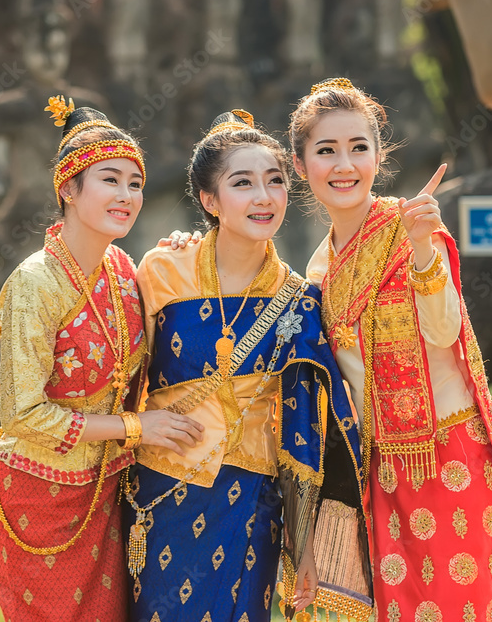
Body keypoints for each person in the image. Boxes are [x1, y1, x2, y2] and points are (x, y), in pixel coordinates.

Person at [128, 110, 364, 622]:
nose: (264, 197)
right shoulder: (162, 271)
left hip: (251, 503)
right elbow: (124, 382)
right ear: (210, 201)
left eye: (275, 181)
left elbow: (305, 431)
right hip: (162, 489)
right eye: (243, 183)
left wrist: (303, 548)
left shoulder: (300, 300)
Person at [294, 78, 492, 621]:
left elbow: (444, 333)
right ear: (301, 166)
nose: (344, 164)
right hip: (381, 469)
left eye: (358, 148)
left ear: (377, 156)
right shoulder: (318, 268)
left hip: (450, 453)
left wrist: (421, 252)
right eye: (326, 151)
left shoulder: (413, 225)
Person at [0, 97, 204, 621]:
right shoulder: (34, 284)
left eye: (135, 183)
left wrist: (189, 255)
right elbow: (22, 415)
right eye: (110, 179)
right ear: (68, 189)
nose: (127, 195)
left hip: (106, 489)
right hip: (37, 496)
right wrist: (135, 427)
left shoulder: (123, 268)